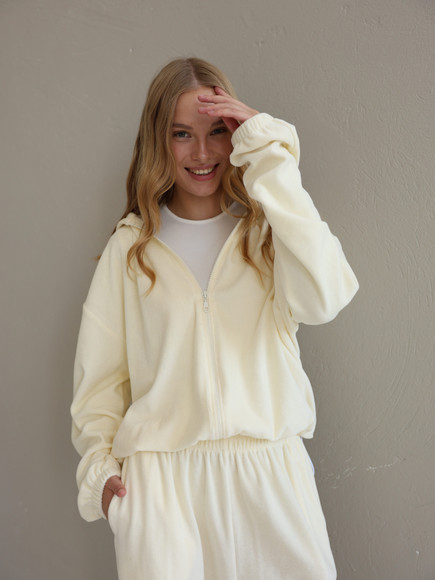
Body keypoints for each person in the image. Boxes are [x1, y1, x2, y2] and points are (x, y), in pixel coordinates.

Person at [71, 57, 359, 579]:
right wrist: (102, 476)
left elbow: (327, 297)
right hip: (163, 489)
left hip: (268, 473)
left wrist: (268, 154)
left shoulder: (267, 233)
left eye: (218, 132)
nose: (202, 152)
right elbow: (98, 386)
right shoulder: (131, 249)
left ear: (236, 135)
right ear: (159, 141)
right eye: (182, 134)